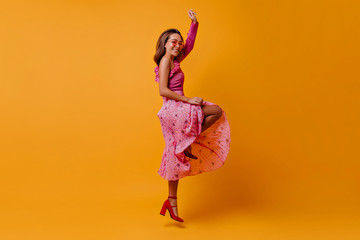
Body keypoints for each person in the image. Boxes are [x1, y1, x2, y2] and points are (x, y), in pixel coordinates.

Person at [153, 9, 231, 222]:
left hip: (176, 107)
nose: (177, 46)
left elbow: (190, 44)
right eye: (173, 42)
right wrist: (188, 100)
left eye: (179, 43)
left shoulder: (176, 60)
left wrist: (194, 23)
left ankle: (171, 202)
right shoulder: (165, 61)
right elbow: (163, 91)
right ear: (164, 43)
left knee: (173, 155)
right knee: (215, 111)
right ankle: (187, 142)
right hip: (173, 106)